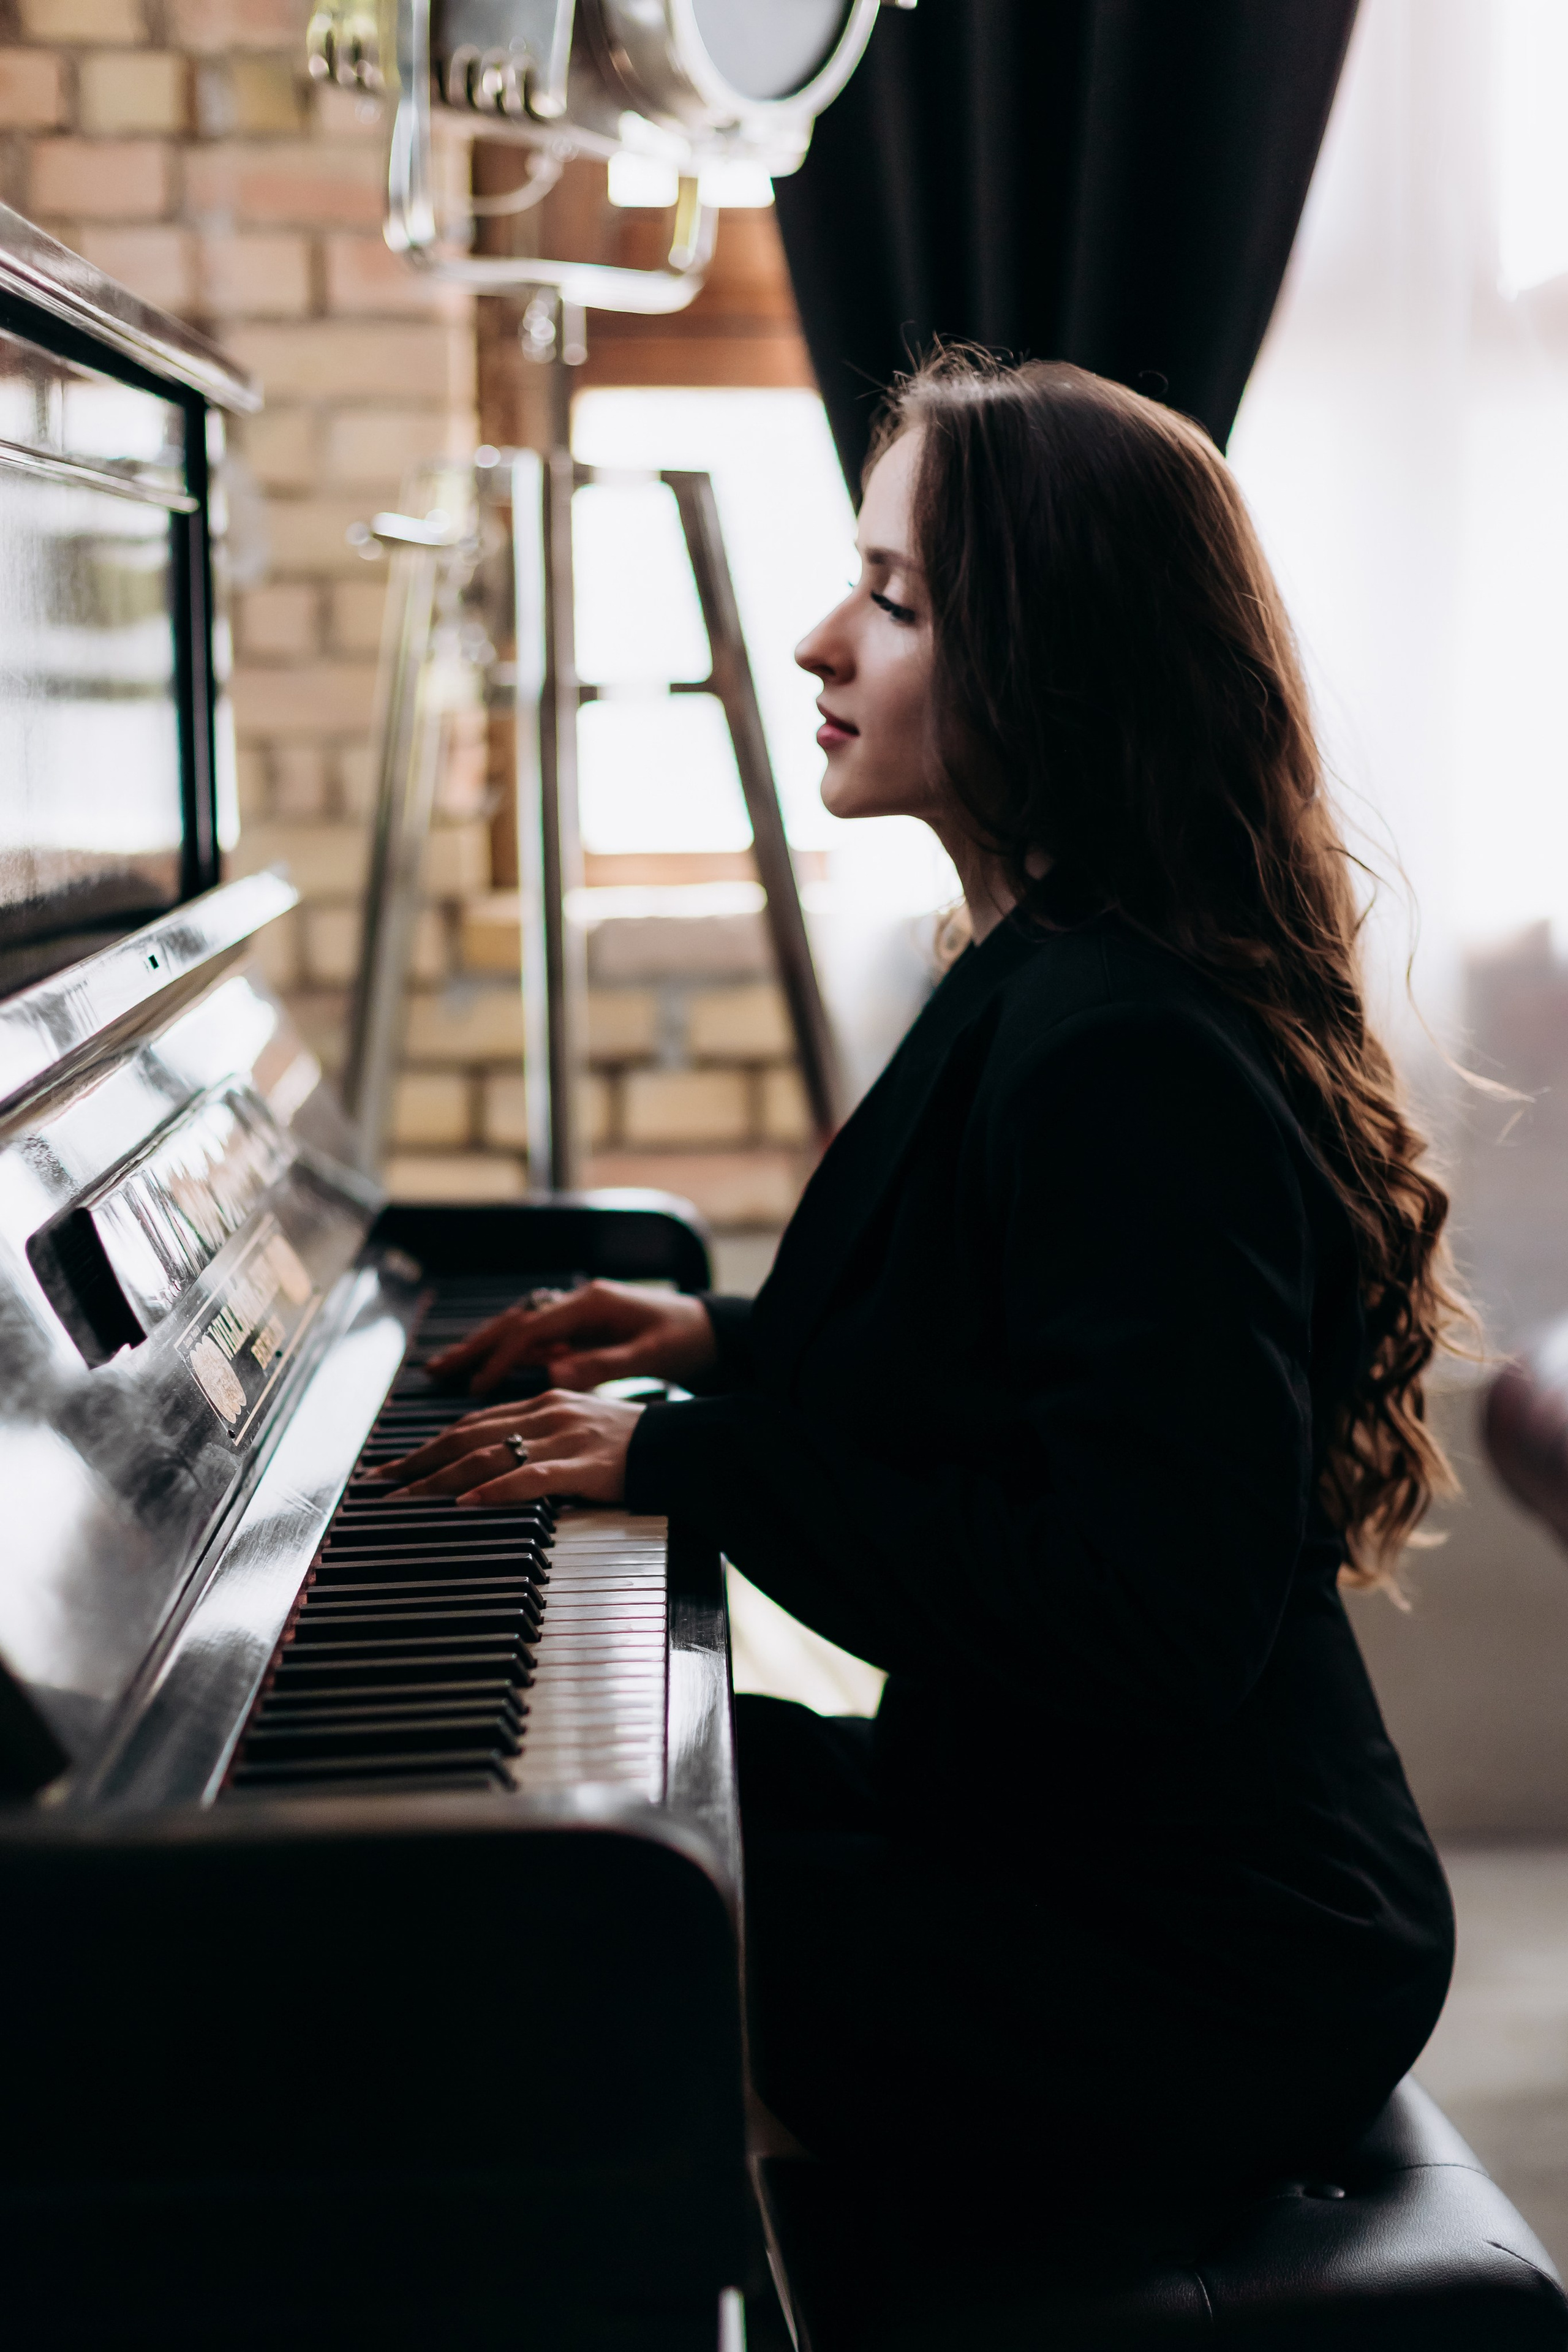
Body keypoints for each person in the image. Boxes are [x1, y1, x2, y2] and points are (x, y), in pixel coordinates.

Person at [375, 352, 1460, 2233]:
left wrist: (691, 1459)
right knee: (583, 1823)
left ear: (1057, 655)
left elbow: (1141, 1615)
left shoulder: (1131, 1054)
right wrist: (727, 1347)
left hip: (1206, 1954)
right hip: (1068, 1830)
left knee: (527, 1935)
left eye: (894, 600)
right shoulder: (1043, 960)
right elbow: (1007, 1364)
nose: (818, 643)